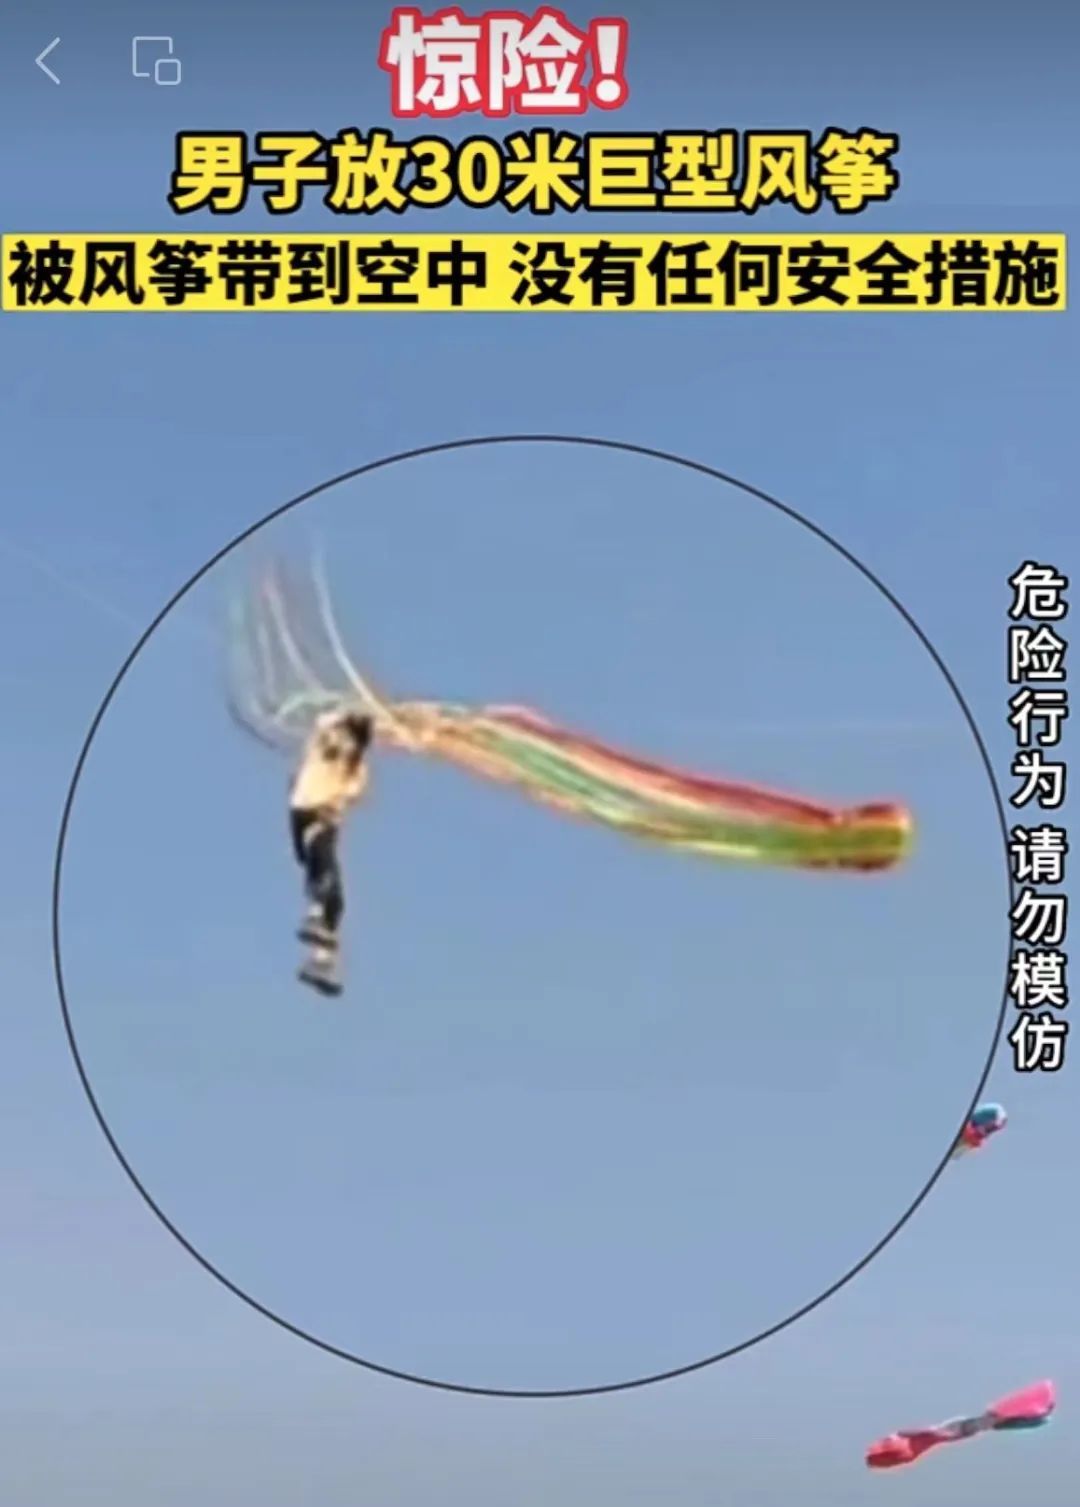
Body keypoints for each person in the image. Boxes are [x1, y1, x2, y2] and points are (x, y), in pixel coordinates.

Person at [289, 707, 374, 996]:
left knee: (335, 900)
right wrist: (345, 717)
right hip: (309, 814)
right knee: (323, 865)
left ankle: (321, 958)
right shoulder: (322, 747)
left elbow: (354, 792)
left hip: (324, 820)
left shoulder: (355, 771)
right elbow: (323, 722)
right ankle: (315, 914)